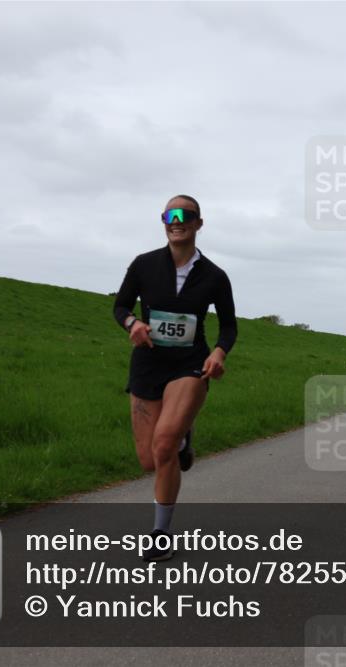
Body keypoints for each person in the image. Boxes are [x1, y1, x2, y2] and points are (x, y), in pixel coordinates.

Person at [113, 194, 236, 562]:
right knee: (149, 459)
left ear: (199, 223)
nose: (176, 220)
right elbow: (120, 305)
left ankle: (159, 535)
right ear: (163, 221)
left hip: (190, 364)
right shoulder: (144, 264)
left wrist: (218, 352)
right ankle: (184, 442)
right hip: (148, 363)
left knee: (163, 444)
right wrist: (132, 323)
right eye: (170, 214)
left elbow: (229, 325)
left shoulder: (214, 276)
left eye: (185, 215)